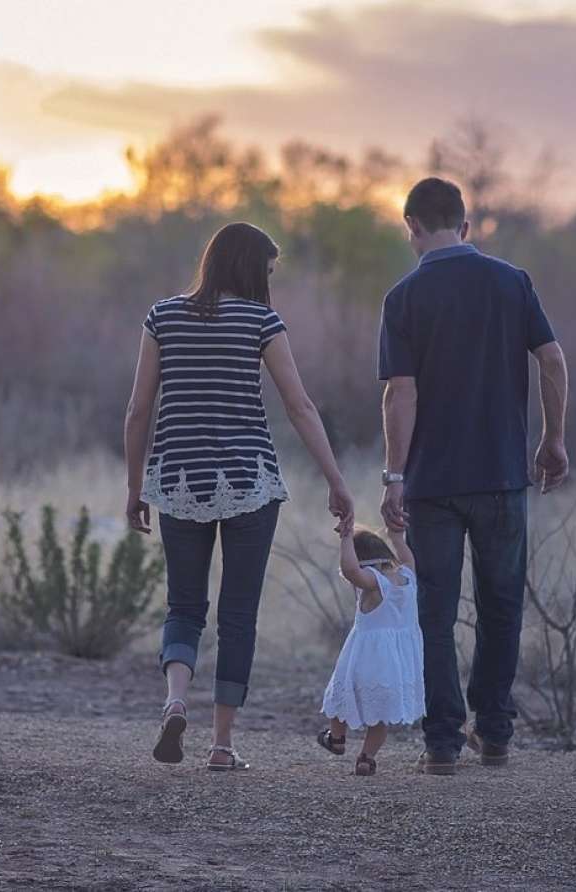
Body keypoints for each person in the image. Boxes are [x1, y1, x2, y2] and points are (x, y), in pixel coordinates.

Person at [123, 221, 354, 771]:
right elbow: (300, 407)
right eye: (268, 271)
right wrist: (336, 480)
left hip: (178, 481)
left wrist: (136, 488)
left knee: (184, 606)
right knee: (238, 616)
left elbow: (137, 411)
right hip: (250, 482)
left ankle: (176, 700)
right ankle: (222, 745)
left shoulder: (162, 317)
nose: (270, 282)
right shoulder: (261, 321)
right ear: (251, 268)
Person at [377, 177, 570, 776]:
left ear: (410, 227)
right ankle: (495, 733)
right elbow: (553, 359)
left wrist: (393, 475)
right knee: (501, 605)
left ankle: (441, 743)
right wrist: (553, 438)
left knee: (434, 611)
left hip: (432, 484)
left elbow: (399, 395)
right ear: (466, 225)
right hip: (502, 476)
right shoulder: (512, 283)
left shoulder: (403, 297)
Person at [317, 526, 426, 776]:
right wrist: (397, 536)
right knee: (380, 716)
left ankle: (336, 738)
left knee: (339, 698)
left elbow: (350, 570)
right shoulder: (407, 576)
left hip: (365, 659)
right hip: (397, 664)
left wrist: (345, 539)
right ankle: (366, 758)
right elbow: (408, 557)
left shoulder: (375, 583)